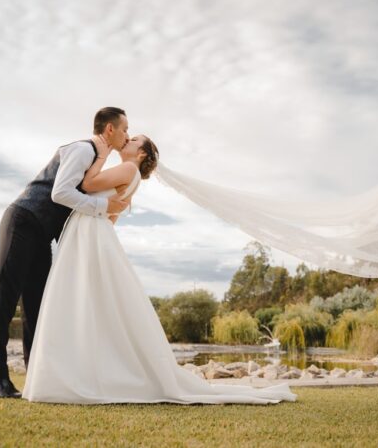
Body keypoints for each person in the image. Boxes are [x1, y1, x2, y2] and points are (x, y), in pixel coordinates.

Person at [22, 134, 297, 405]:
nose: (126, 140)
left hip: (92, 233)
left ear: (141, 154)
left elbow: (87, 183)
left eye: (133, 141)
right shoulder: (132, 179)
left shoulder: (127, 168)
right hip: (97, 233)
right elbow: (113, 216)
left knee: (85, 297)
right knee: (96, 300)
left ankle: (81, 372)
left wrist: (101, 156)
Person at [0, 107, 131, 398]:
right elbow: (59, 193)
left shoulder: (97, 160)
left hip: (42, 234)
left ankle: (38, 378)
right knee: (3, 297)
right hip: (23, 220)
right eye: (124, 128)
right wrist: (103, 207)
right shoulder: (82, 149)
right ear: (109, 130)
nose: (127, 134)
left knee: (37, 308)